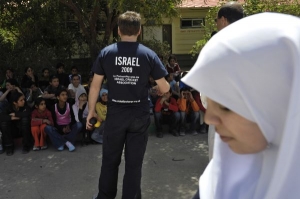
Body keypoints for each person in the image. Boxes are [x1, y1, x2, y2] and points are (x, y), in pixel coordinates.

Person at [183, 12, 300, 199]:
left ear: (281, 104)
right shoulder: (218, 180)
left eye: (226, 106)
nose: (209, 119)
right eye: (209, 101)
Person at [87, 11, 170, 199]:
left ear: (118, 31)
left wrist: (91, 110)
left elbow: (95, 87)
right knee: (134, 164)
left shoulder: (106, 53)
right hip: (139, 115)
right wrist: (158, 88)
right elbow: (164, 87)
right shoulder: (148, 54)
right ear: (139, 31)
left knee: (110, 160)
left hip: (115, 114)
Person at [207, 1, 244, 162]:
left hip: (222, 107)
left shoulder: (218, 43)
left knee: (219, 159)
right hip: (247, 111)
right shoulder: (253, 40)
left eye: (216, 20)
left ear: (223, 20)